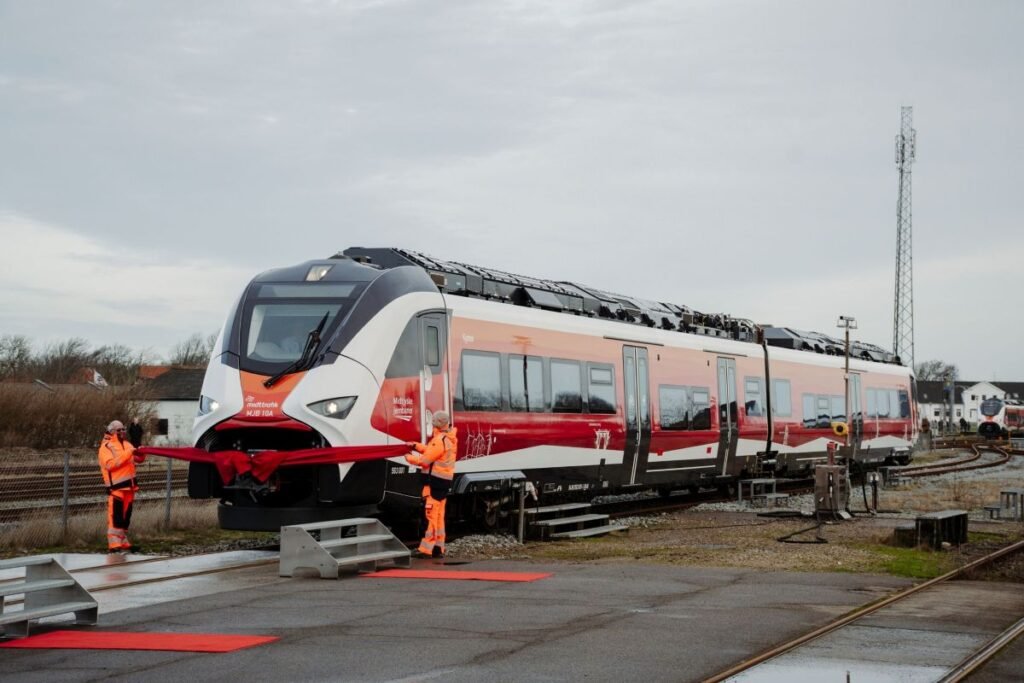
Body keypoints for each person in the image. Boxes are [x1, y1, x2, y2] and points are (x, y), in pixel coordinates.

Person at [405, 411, 457, 558]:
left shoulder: (438, 440)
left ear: (436, 424)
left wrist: (409, 458)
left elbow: (424, 461)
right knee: (439, 517)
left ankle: (426, 549)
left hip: (433, 483)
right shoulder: (449, 438)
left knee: (431, 516)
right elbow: (431, 451)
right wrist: (415, 446)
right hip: (443, 483)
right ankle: (438, 548)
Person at [97, 420, 146, 553]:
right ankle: (114, 545)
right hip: (117, 487)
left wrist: (140, 447)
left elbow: (139, 459)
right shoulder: (106, 447)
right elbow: (110, 465)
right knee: (116, 516)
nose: (123, 432)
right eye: (120, 430)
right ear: (112, 431)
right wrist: (129, 453)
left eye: (124, 429)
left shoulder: (127, 444)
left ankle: (123, 542)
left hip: (129, 487)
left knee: (125, 517)